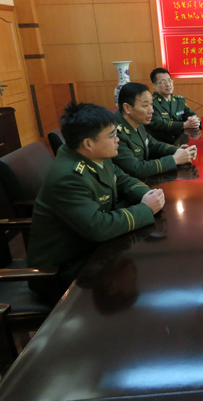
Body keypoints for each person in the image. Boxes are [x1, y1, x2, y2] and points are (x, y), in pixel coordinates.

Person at [27, 102, 165, 302]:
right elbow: (97, 227)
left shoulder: (93, 154)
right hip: (61, 272)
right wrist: (145, 209)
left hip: (90, 249)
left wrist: (147, 194)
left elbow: (123, 179)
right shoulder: (69, 176)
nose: (118, 139)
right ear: (88, 143)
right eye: (112, 135)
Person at [113, 82, 197, 179]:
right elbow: (136, 169)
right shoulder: (115, 133)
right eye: (145, 105)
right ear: (127, 108)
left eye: (151, 104)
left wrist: (178, 151)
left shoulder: (136, 121)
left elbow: (153, 145)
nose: (151, 110)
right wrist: (174, 160)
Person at [146, 67, 201, 143]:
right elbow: (158, 124)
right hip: (161, 143)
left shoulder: (179, 100)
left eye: (169, 81)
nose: (168, 84)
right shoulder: (152, 102)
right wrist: (184, 125)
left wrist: (194, 120)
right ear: (155, 86)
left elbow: (190, 113)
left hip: (179, 141)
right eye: (163, 82)